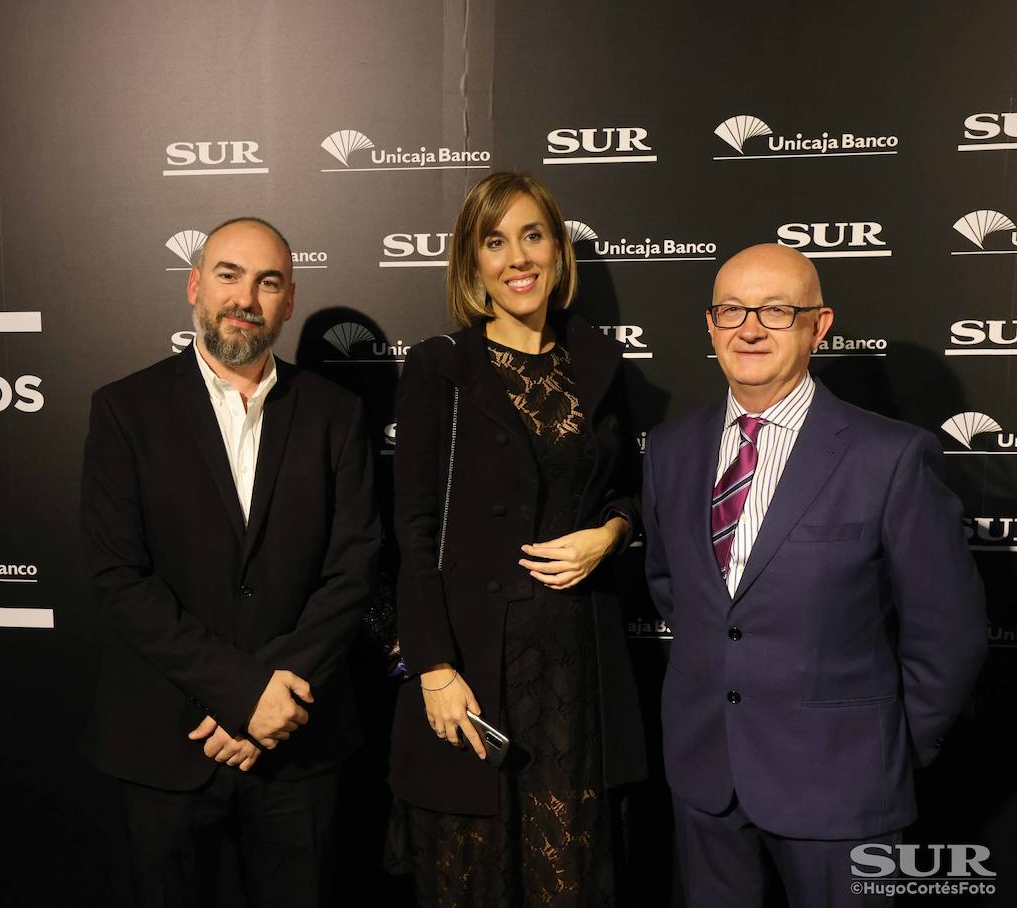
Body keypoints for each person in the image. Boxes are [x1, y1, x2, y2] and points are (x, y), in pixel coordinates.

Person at [642, 243, 988, 907]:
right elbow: (677, 591)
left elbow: (949, 633)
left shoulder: (890, 456)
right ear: (709, 324)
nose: (749, 328)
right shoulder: (669, 451)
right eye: (732, 310)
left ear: (818, 326)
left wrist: (885, 750)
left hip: (846, 785)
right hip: (706, 780)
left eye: (776, 310)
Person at [79, 217, 380, 907]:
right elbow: (119, 579)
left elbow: (353, 569)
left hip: (298, 744)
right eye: (228, 275)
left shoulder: (336, 414)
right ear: (194, 286)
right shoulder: (126, 410)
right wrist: (245, 696)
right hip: (165, 742)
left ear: (289, 301)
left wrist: (277, 697)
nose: (246, 297)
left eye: (268, 282)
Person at [388, 171, 647, 906]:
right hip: (474, 668)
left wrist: (613, 533)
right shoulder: (442, 365)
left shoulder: (598, 362)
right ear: (472, 266)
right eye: (494, 242)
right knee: (474, 883)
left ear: (559, 251)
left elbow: (626, 488)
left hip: (578, 674)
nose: (517, 258)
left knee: (573, 879)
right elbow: (411, 527)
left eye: (533, 235)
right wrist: (433, 668)